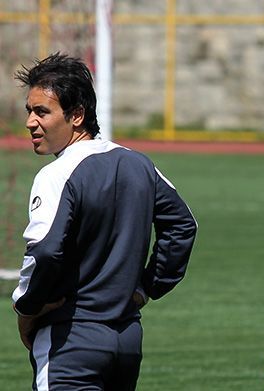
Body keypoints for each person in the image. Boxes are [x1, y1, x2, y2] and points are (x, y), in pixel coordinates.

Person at [11, 53, 197, 390]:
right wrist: (146, 288)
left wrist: (27, 307)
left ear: (77, 115)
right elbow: (183, 226)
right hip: (126, 340)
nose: (30, 122)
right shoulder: (139, 164)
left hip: (70, 340)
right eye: (29, 111)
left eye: (42, 111)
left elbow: (45, 252)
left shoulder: (56, 175)